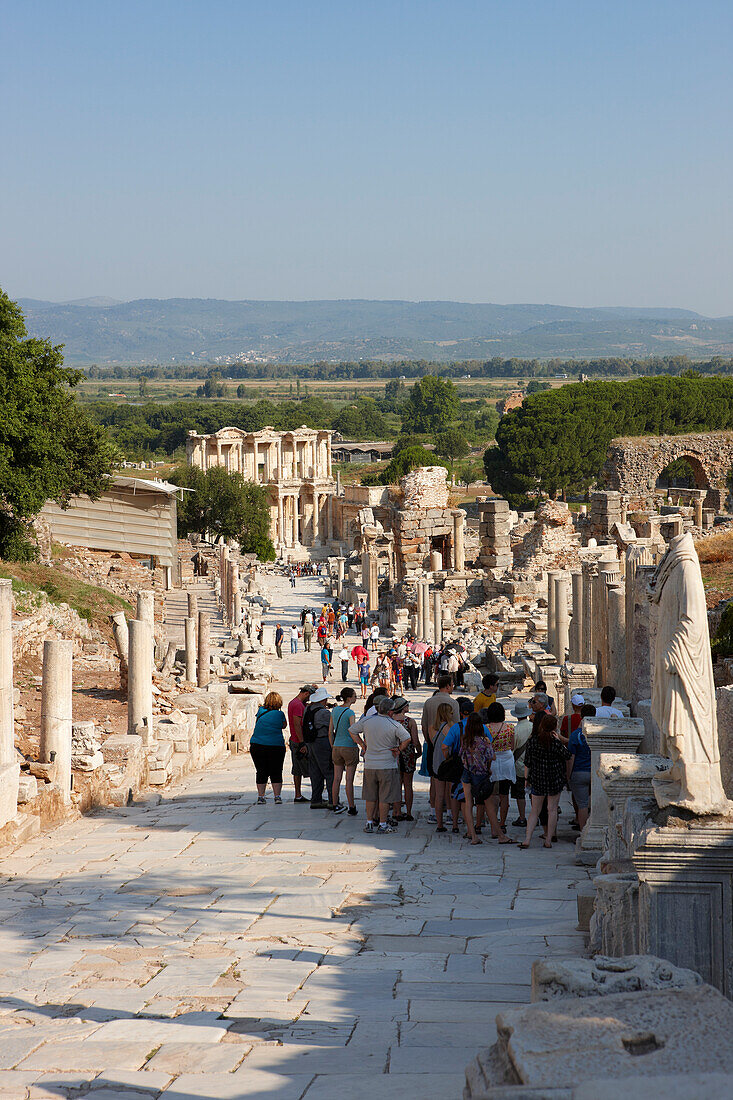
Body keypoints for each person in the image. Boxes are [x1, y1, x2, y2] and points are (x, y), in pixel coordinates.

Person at [351, 695, 410, 834]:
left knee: (370, 795)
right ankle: (382, 824)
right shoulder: (394, 724)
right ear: (390, 711)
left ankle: (369, 822)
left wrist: (362, 745)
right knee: (385, 796)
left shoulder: (367, 720)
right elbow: (407, 738)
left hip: (370, 764)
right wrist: (399, 749)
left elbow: (352, 730)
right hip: (387, 764)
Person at [519, 714, 571, 849]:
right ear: (555, 727)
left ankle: (527, 839)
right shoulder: (555, 742)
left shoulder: (533, 741)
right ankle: (548, 840)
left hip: (537, 778)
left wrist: (526, 778)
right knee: (552, 809)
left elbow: (528, 761)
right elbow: (567, 755)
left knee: (534, 811)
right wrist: (559, 740)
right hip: (554, 779)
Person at [421, 674, 460, 824]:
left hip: (433, 743)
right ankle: (451, 814)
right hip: (449, 746)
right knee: (450, 782)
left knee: (435, 781)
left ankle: (433, 813)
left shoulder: (429, 702)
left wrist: (429, 741)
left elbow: (424, 726)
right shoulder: (453, 703)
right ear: (449, 685)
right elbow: (456, 727)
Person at [250, 691, 288, 804]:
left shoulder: (260, 711)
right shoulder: (280, 714)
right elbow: (284, 725)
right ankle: (277, 796)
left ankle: (261, 796)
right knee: (276, 770)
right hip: (276, 745)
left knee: (261, 771)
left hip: (257, 744)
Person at [429, 700, 461, 833]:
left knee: (439, 794)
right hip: (449, 762)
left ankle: (439, 824)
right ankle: (452, 819)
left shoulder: (432, 727)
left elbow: (433, 742)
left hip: (437, 762)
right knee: (452, 793)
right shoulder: (453, 728)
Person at [484, 701, 517, 831]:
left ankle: (493, 824)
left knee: (491, 794)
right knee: (504, 794)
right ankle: (502, 823)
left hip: (491, 760)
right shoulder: (509, 727)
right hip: (506, 760)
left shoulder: (486, 728)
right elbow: (512, 746)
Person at [331, 688, 363, 815]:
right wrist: (361, 744)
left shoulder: (334, 710)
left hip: (336, 746)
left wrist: (332, 745)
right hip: (349, 747)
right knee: (349, 779)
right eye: (355, 695)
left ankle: (335, 805)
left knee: (336, 778)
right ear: (349, 698)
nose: (356, 697)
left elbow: (330, 732)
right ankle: (351, 806)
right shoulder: (350, 713)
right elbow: (352, 731)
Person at [302, 686, 335, 809]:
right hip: (322, 742)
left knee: (315, 772)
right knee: (329, 772)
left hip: (310, 743)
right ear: (323, 700)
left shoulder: (308, 709)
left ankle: (316, 799)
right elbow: (332, 726)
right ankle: (333, 800)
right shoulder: (324, 713)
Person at [392, 696, 421, 821]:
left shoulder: (390, 721)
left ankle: (397, 811)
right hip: (408, 754)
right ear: (403, 707)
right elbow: (415, 741)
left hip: (394, 755)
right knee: (408, 785)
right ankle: (408, 812)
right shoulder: (410, 722)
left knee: (396, 784)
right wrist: (419, 752)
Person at [567, 703, 594, 830]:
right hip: (594, 772)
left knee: (582, 805)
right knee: (592, 803)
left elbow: (571, 758)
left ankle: (583, 832)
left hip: (579, 771)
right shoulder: (597, 733)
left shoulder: (576, 735)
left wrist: (568, 776)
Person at [287, 685, 314, 803]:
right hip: (299, 742)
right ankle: (315, 795)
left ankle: (298, 795)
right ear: (307, 693)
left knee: (297, 769)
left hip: (295, 739)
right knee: (312, 768)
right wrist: (303, 742)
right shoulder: (298, 705)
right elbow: (297, 725)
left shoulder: (294, 702)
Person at [510, 700, 532, 827]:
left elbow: (512, 749)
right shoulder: (533, 727)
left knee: (520, 793)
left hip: (519, 765)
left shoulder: (515, 730)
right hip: (532, 765)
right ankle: (536, 815)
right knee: (533, 793)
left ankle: (522, 817)